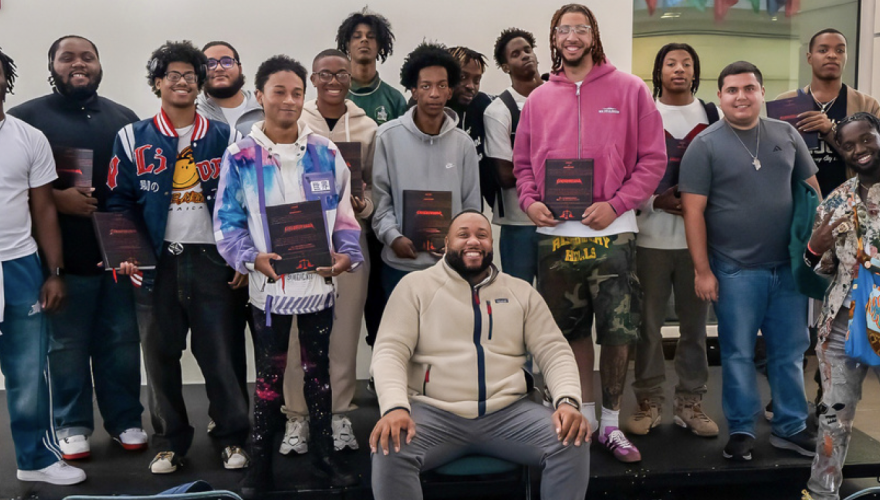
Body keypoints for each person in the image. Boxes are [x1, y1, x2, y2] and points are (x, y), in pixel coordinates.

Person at [513, 3, 666, 463]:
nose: (572, 36)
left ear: (593, 35)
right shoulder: (539, 99)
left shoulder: (630, 89)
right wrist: (530, 202)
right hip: (557, 236)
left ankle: (612, 425)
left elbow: (653, 160)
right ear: (554, 39)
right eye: (564, 30)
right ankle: (582, 417)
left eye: (580, 28)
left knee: (618, 332)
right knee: (567, 332)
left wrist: (617, 204)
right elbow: (523, 165)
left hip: (613, 231)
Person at [214, 54, 363, 497]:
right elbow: (227, 222)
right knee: (268, 379)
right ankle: (258, 466)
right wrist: (249, 259)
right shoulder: (240, 155)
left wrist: (346, 255)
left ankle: (324, 461)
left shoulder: (325, 152)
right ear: (260, 96)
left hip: (319, 285)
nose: (289, 100)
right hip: (269, 290)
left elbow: (345, 216)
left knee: (318, 375)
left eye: (297, 93)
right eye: (279, 91)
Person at [370, 210, 590, 500]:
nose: (473, 241)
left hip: (509, 413)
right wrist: (395, 407)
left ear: (491, 244)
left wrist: (568, 401)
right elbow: (390, 351)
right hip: (435, 414)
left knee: (572, 439)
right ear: (446, 243)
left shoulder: (520, 292)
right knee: (390, 446)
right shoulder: (415, 287)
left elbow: (554, 351)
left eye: (482, 235)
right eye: (463, 235)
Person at [106, 40, 250, 474]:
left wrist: (241, 256)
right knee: (160, 356)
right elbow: (118, 201)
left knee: (221, 355)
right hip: (156, 263)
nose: (182, 82)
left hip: (213, 260)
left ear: (200, 83)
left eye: (190, 75)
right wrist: (126, 252)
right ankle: (169, 442)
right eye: (173, 75)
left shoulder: (225, 136)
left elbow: (244, 200)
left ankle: (231, 436)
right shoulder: (132, 137)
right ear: (158, 83)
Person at [8, 35, 146, 461]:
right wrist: (57, 199)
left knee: (121, 342)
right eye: (66, 58)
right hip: (61, 260)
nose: (78, 63)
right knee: (65, 347)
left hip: (119, 256)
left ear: (99, 65)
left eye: (87, 57)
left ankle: (126, 420)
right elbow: (10, 191)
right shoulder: (25, 119)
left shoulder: (124, 119)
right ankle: (71, 424)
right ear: (52, 66)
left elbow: (138, 185)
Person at [680, 61, 820, 461]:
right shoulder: (705, 145)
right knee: (738, 353)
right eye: (732, 90)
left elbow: (812, 192)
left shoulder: (787, 134)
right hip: (734, 270)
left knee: (790, 351)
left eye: (749, 88)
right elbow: (693, 212)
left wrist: (816, 253)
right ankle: (742, 429)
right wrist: (702, 271)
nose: (741, 96)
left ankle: (790, 426)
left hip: (788, 269)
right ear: (720, 96)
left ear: (761, 93)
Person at [280, 48, 377, 455]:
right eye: (325, 74)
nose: (333, 81)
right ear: (313, 79)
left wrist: (362, 205)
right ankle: (297, 417)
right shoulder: (295, 123)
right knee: (295, 334)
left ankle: (338, 414)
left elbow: (373, 186)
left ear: (351, 79)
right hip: (301, 238)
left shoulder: (368, 127)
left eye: (341, 74)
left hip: (348, 240)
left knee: (344, 332)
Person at [0, 46, 85, 486]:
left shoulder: (28, 137)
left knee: (28, 372)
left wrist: (54, 273)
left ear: (5, 79)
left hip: (19, 265)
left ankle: (34, 459)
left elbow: (44, 210)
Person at [626, 42, 719, 438]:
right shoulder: (642, 114)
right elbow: (624, 173)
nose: (679, 69)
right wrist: (653, 201)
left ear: (695, 72)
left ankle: (690, 403)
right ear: (658, 71)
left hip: (698, 245)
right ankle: (648, 402)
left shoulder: (712, 115)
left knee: (694, 329)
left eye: (686, 63)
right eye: (670, 63)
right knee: (646, 327)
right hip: (649, 240)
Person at [801, 113, 880, 500]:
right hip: (843, 324)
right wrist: (814, 248)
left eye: (866, 139)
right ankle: (821, 494)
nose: (859, 150)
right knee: (834, 417)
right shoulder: (837, 200)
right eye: (848, 145)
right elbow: (821, 266)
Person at [371, 42, 481, 296]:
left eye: (442, 86)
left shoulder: (463, 143)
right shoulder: (387, 137)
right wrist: (393, 237)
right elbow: (380, 200)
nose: (434, 94)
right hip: (399, 265)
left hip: (449, 266)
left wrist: (459, 243)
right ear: (414, 91)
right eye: (425, 86)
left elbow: (471, 206)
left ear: (450, 91)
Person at [778, 29, 880, 197]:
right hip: (799, 201)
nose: (832, 55)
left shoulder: (866, 105)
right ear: (809, 58)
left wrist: (831, 131)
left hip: (853, 202)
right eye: (823, 50)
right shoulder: (787, 102)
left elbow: (876, 162)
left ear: (846, 57)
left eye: (840, 50)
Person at [484, 27, 543, 283]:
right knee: (518, 295)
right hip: (519, 223)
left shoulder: (560, 98)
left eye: (528, 50)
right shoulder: (498, 111)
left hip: (561, 220)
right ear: (506, 67)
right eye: (516, 54)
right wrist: (556, 175)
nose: (525, 56)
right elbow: (506, 176)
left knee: (559, 299)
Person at [337, 7, 407, 126]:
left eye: (371, 36)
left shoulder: (395, 100)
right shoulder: (335, 96)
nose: (364, 40)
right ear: (347, 45)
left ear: (379, 45)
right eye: (357, 36)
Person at [447, 46, 494, 210]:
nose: (470, 86)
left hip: (471, 210)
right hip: (435, 207)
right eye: (463, 77)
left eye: (477, 80)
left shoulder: (483, 105)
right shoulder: (426, 111)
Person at [197, 41, 264, 136]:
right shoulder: (193, 112)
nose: (219, 68)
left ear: (240, 69)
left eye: (227, 62)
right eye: (210, 64)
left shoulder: (264, 106)